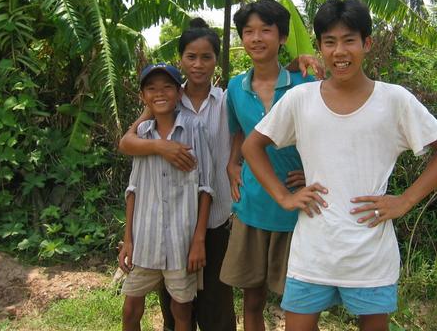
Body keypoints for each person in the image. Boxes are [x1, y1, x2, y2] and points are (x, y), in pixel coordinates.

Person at [241, 0, 437, 331]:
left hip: (370, 251)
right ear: (319, 46)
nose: (339, 52)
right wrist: (284, 198)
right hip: (313, 249)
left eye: (349, 41)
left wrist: (404, 201)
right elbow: (252, 146)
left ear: (366, 43)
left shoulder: (394, 100)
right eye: (329, 42)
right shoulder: (301, 99)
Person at [119, 18, 321, 331]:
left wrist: (295, 64)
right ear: (181, 60)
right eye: (190, 57)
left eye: (206, 57)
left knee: (216, 299)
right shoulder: (167, 100)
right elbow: (128, 142)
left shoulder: (228, 98)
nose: (198, 65)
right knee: (177, 301)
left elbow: (250, 120)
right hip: (173, 218)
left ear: (216, 60)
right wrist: (162, 147)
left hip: (218, 216)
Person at [219, 0, 316, 331]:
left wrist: (317, 172)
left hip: (296, 207)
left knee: (300, 303)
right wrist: (233, 164)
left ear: (283, 37)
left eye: (265, 30)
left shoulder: (305, 84)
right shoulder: (234, 87)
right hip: (253, 203)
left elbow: (325, 136)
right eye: (248, 32)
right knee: (252, 299)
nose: (256, 38)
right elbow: (238, 132)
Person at [119, 63, 214, 331]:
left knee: (181, 309)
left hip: (180, 243)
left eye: (167, 87)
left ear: (178, 92)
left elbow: (206, 188)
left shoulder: (194, 127)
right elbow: (132, 190)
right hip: (145, 239)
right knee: (130, 309)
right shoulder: (142, 134)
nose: (159, 93)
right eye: (151, 88)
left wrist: (198, 240)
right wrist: (128, 240)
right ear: (143, 97)